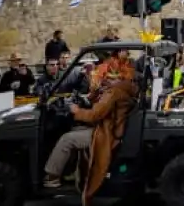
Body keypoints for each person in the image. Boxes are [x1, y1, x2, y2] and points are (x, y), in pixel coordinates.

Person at [43, 62, 138, 204]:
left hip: (105, 134)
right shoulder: (124, 89)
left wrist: (76, 111)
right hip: (108, 128)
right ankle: (71, 171)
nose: (105, 77)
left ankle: (52, 177)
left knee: (67, 139)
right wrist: (93, 94)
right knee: (75, 131)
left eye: (109, 75)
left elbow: (95, 114)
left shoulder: (114, 92)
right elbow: (100, 106)